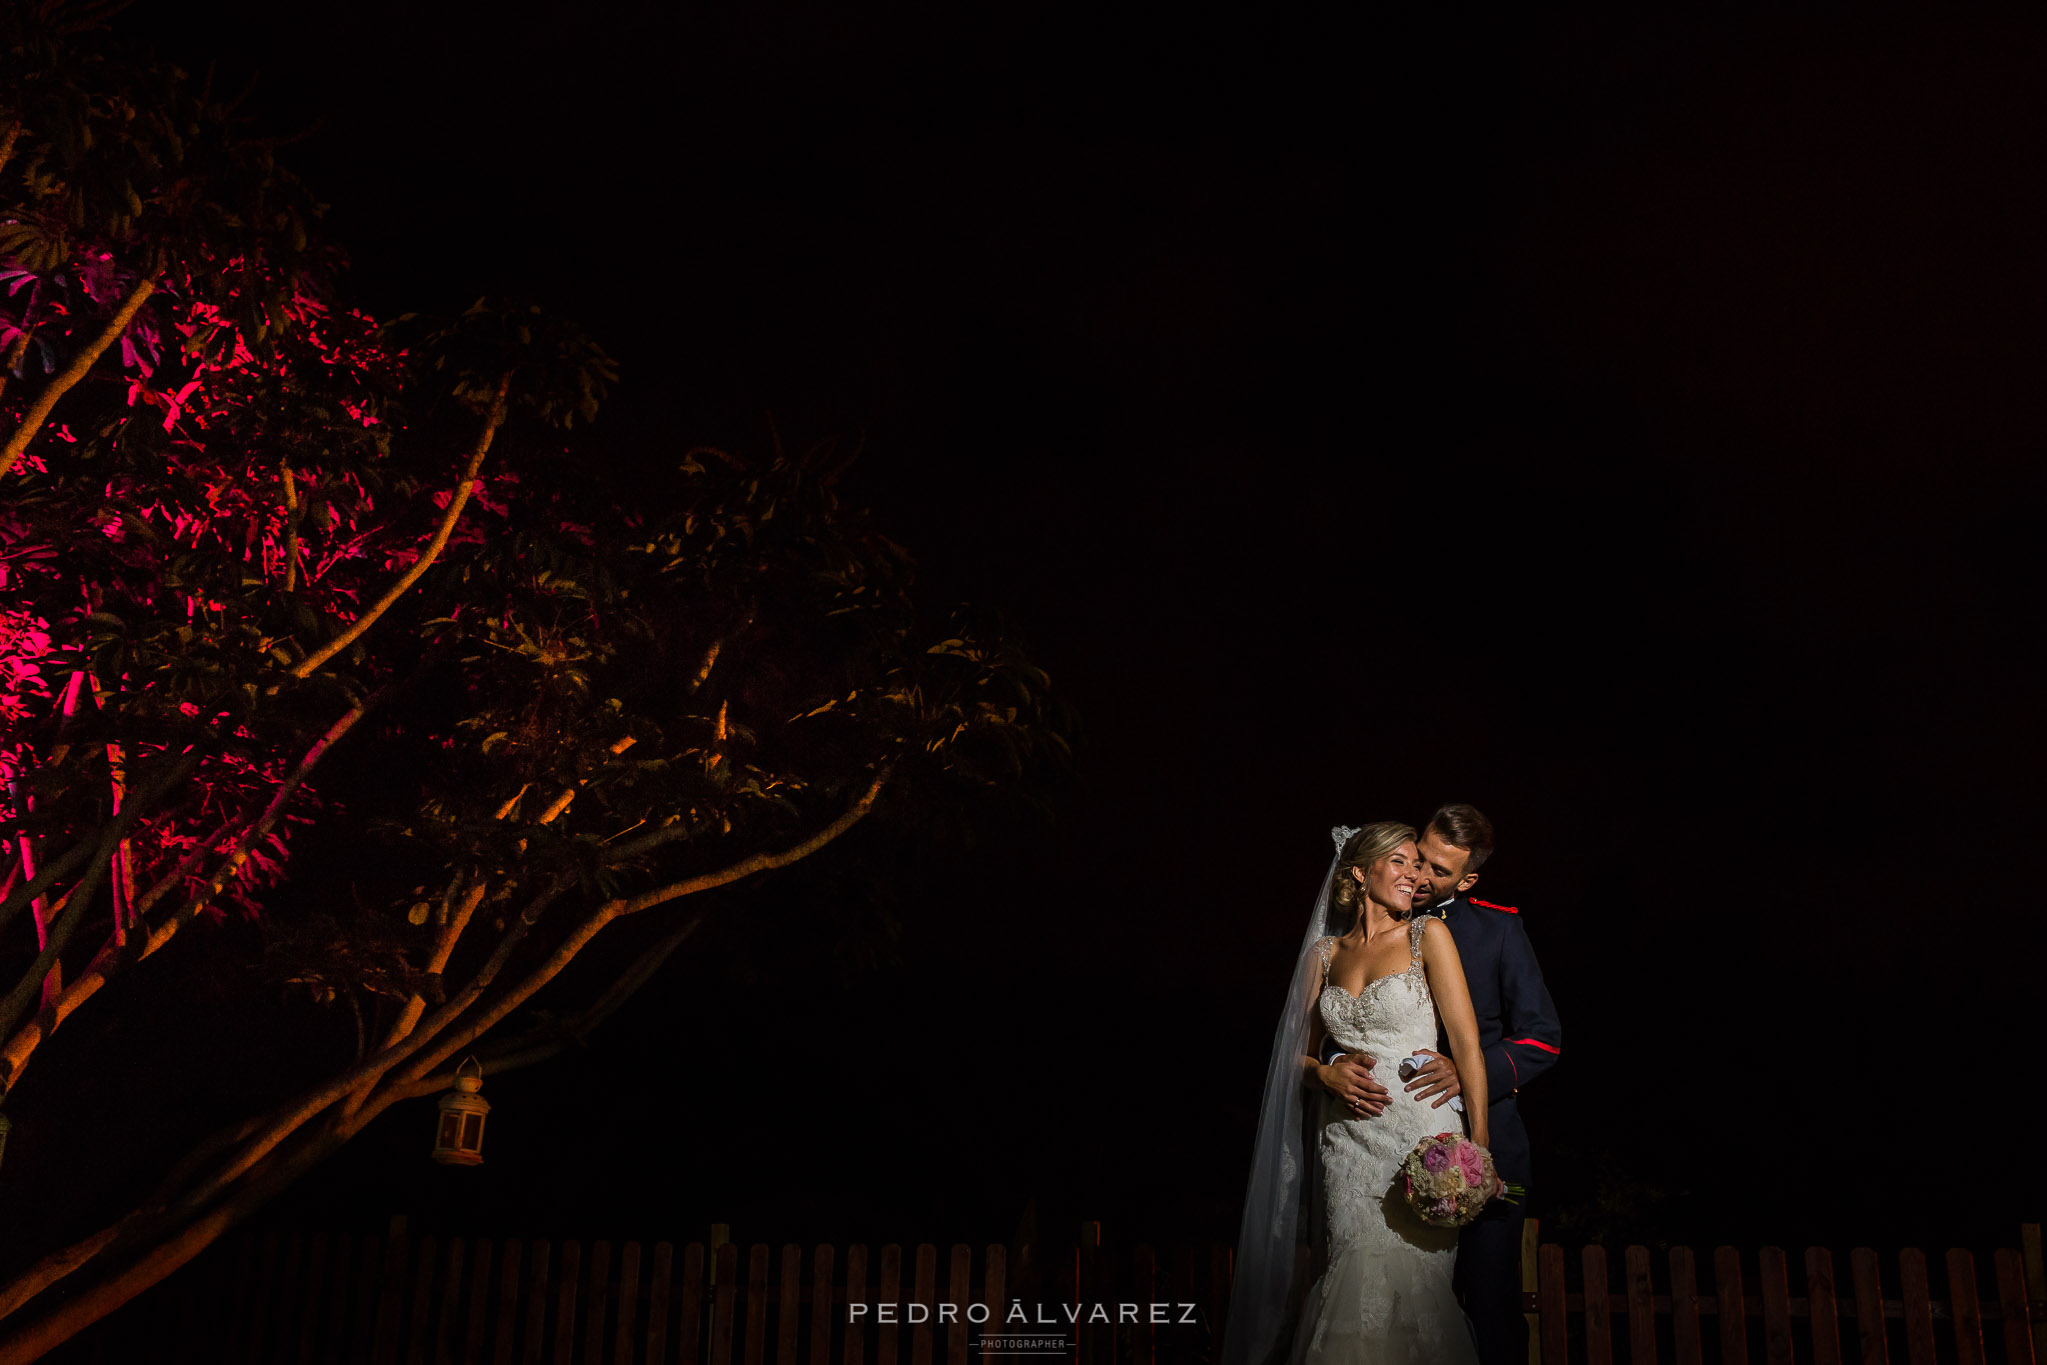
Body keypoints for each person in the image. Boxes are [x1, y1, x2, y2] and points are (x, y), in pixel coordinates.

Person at [1220, 821, 1496, 1365]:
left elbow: (1467, 1045)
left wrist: (1479, 1147)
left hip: (1423, 1137)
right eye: (1399, 861)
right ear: (1359, 871)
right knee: (1349, 1277)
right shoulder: (1323, 955)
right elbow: (1286, 1058)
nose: (1413, 873)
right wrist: (1321, 1074)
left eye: (1417, 863)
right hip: (1347, 1143)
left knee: (1418, 1292)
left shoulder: (1428, 937)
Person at [1320, 803, 1562, 1365]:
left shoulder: (1498, 929)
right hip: (1378, 1132)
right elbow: (1343, 1022)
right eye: (1417, 859)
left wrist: (1464, 1068)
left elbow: (1543, 1036)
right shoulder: (1359, 932)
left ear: (1468, 879)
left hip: (1483, 1138)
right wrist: (1332, 1063)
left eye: (1439, 871)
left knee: (1488, 1301)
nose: (1421, 877)